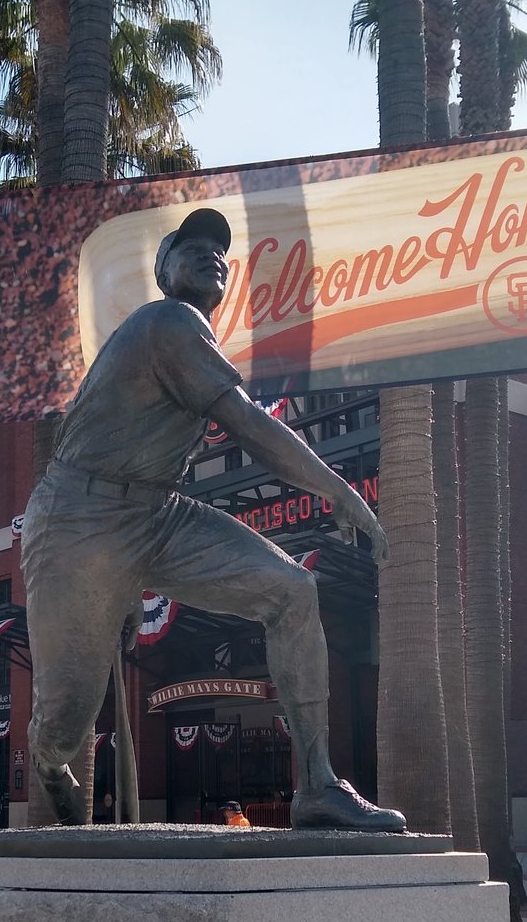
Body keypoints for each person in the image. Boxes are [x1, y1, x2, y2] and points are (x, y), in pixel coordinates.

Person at [21, 207, 405, 833]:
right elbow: (252, 426)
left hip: (158, 510)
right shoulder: (168, 320)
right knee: (65, 722)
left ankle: (317, 785)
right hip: (80, 520)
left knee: (292, 590)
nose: (210, 256)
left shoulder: (192, 336)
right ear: (162, 269)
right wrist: (340, 490)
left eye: (219, 252)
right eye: (190, 247)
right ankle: (48, 758)